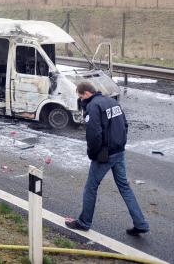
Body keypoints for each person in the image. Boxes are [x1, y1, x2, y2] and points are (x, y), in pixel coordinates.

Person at [65, 81, 149, 236]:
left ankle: (84, 222)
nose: (81, 100)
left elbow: (94, 134)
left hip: (104, 155)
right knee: (125, 187)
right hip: (119, 151)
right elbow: (124, 124)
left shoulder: (93, 107)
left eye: (80, 96)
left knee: (90, 188)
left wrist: (92, 154)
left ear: (86, 93)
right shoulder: (111, 101)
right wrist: (120, 143)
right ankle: (141, 223)